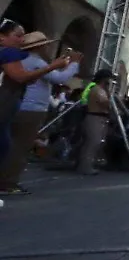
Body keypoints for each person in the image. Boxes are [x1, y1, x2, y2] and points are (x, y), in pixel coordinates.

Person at [0, 32, 80, 194]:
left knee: (10, 143)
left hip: (18, 105)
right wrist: (74, 64)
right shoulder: (36, 62)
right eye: (46, 45)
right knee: (21, 146)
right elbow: (60, 78)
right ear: (40, 46)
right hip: (32, 109)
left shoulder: (22, 60)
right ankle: (8, 182)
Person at [78, 69, 115, 175]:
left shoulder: (102, 90)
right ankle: (85, 166)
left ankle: (88, 164)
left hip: (101, 118)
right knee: (92, 142)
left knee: (96, 142)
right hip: (94, 117)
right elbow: (105, 103)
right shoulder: (97, 89)